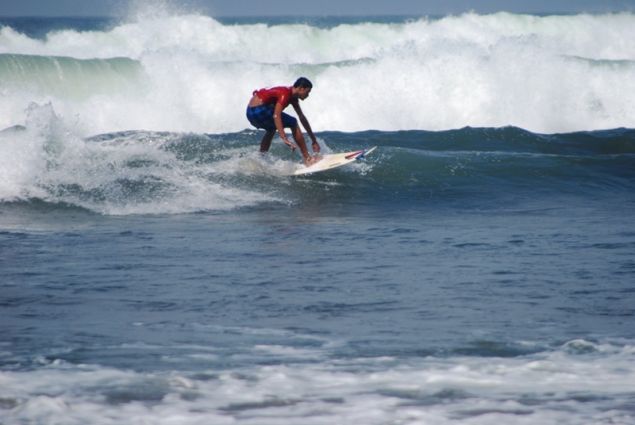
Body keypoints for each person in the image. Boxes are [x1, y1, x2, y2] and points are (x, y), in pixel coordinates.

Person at [246, 77, 321, 166]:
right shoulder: (285, 94)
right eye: (307, 92)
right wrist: (284, 138)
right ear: (301, 88)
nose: (308, 95)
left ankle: (261, 158)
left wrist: (314, 140)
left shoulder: (293, 98)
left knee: (271, 129)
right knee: (293, 122)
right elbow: (276, 115)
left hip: (250, 113)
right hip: (259, 110)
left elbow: (302, 117)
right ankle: (307, 158)